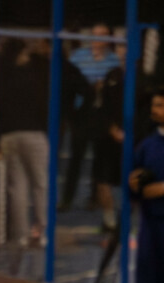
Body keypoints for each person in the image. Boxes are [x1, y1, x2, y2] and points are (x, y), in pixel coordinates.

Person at [61, 24, 121, 213]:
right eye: (95, 35)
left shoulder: (113, 60)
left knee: (98, 159)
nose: (98, 39)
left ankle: (94, 199)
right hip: (81, 113)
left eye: (102, 35)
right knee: (75, 158)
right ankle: (67, 199)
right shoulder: (78, 56)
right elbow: (68, 81)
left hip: (101, 114)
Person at [0, 39, 50, 248]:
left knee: (16, 187)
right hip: (33, 133)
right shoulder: (33, 76)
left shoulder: (2, 75)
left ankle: (20, 234)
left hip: (9, 135)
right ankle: (42, 233)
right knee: (40, 184)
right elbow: (43, 104)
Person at [129, 88, 164, 283]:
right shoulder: (147, 145)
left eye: (161, 105)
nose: (155, 110)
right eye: (154, 105)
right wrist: (136, 185)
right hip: (151, 226)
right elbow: (136, 186)